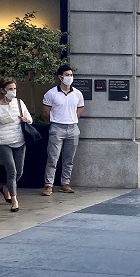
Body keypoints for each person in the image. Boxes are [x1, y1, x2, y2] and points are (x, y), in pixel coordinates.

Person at [0, 77, 32, 212]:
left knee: (19, 172)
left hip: (20, 140)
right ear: (2, 90)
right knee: (11, 171)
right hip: (3, 142)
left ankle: (6, 188)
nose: (13, 91)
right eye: (10, 89)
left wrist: (26, 119)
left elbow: (30, 118)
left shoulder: (19, 103)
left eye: (14, 88)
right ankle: (14, 199)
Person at [42, 64, 84, 196]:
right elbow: (45, 111)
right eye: (67, 75)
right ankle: (48, 185)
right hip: (57, 127)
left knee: (69, 158)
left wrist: (72, 118)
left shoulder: (77, 93)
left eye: (71, 75)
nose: (69, 77)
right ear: (60, 77)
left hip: (73, 127)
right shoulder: (51, 93)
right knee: (52, 158)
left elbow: (80, 108)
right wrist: (57, 119)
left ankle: (65, 183)